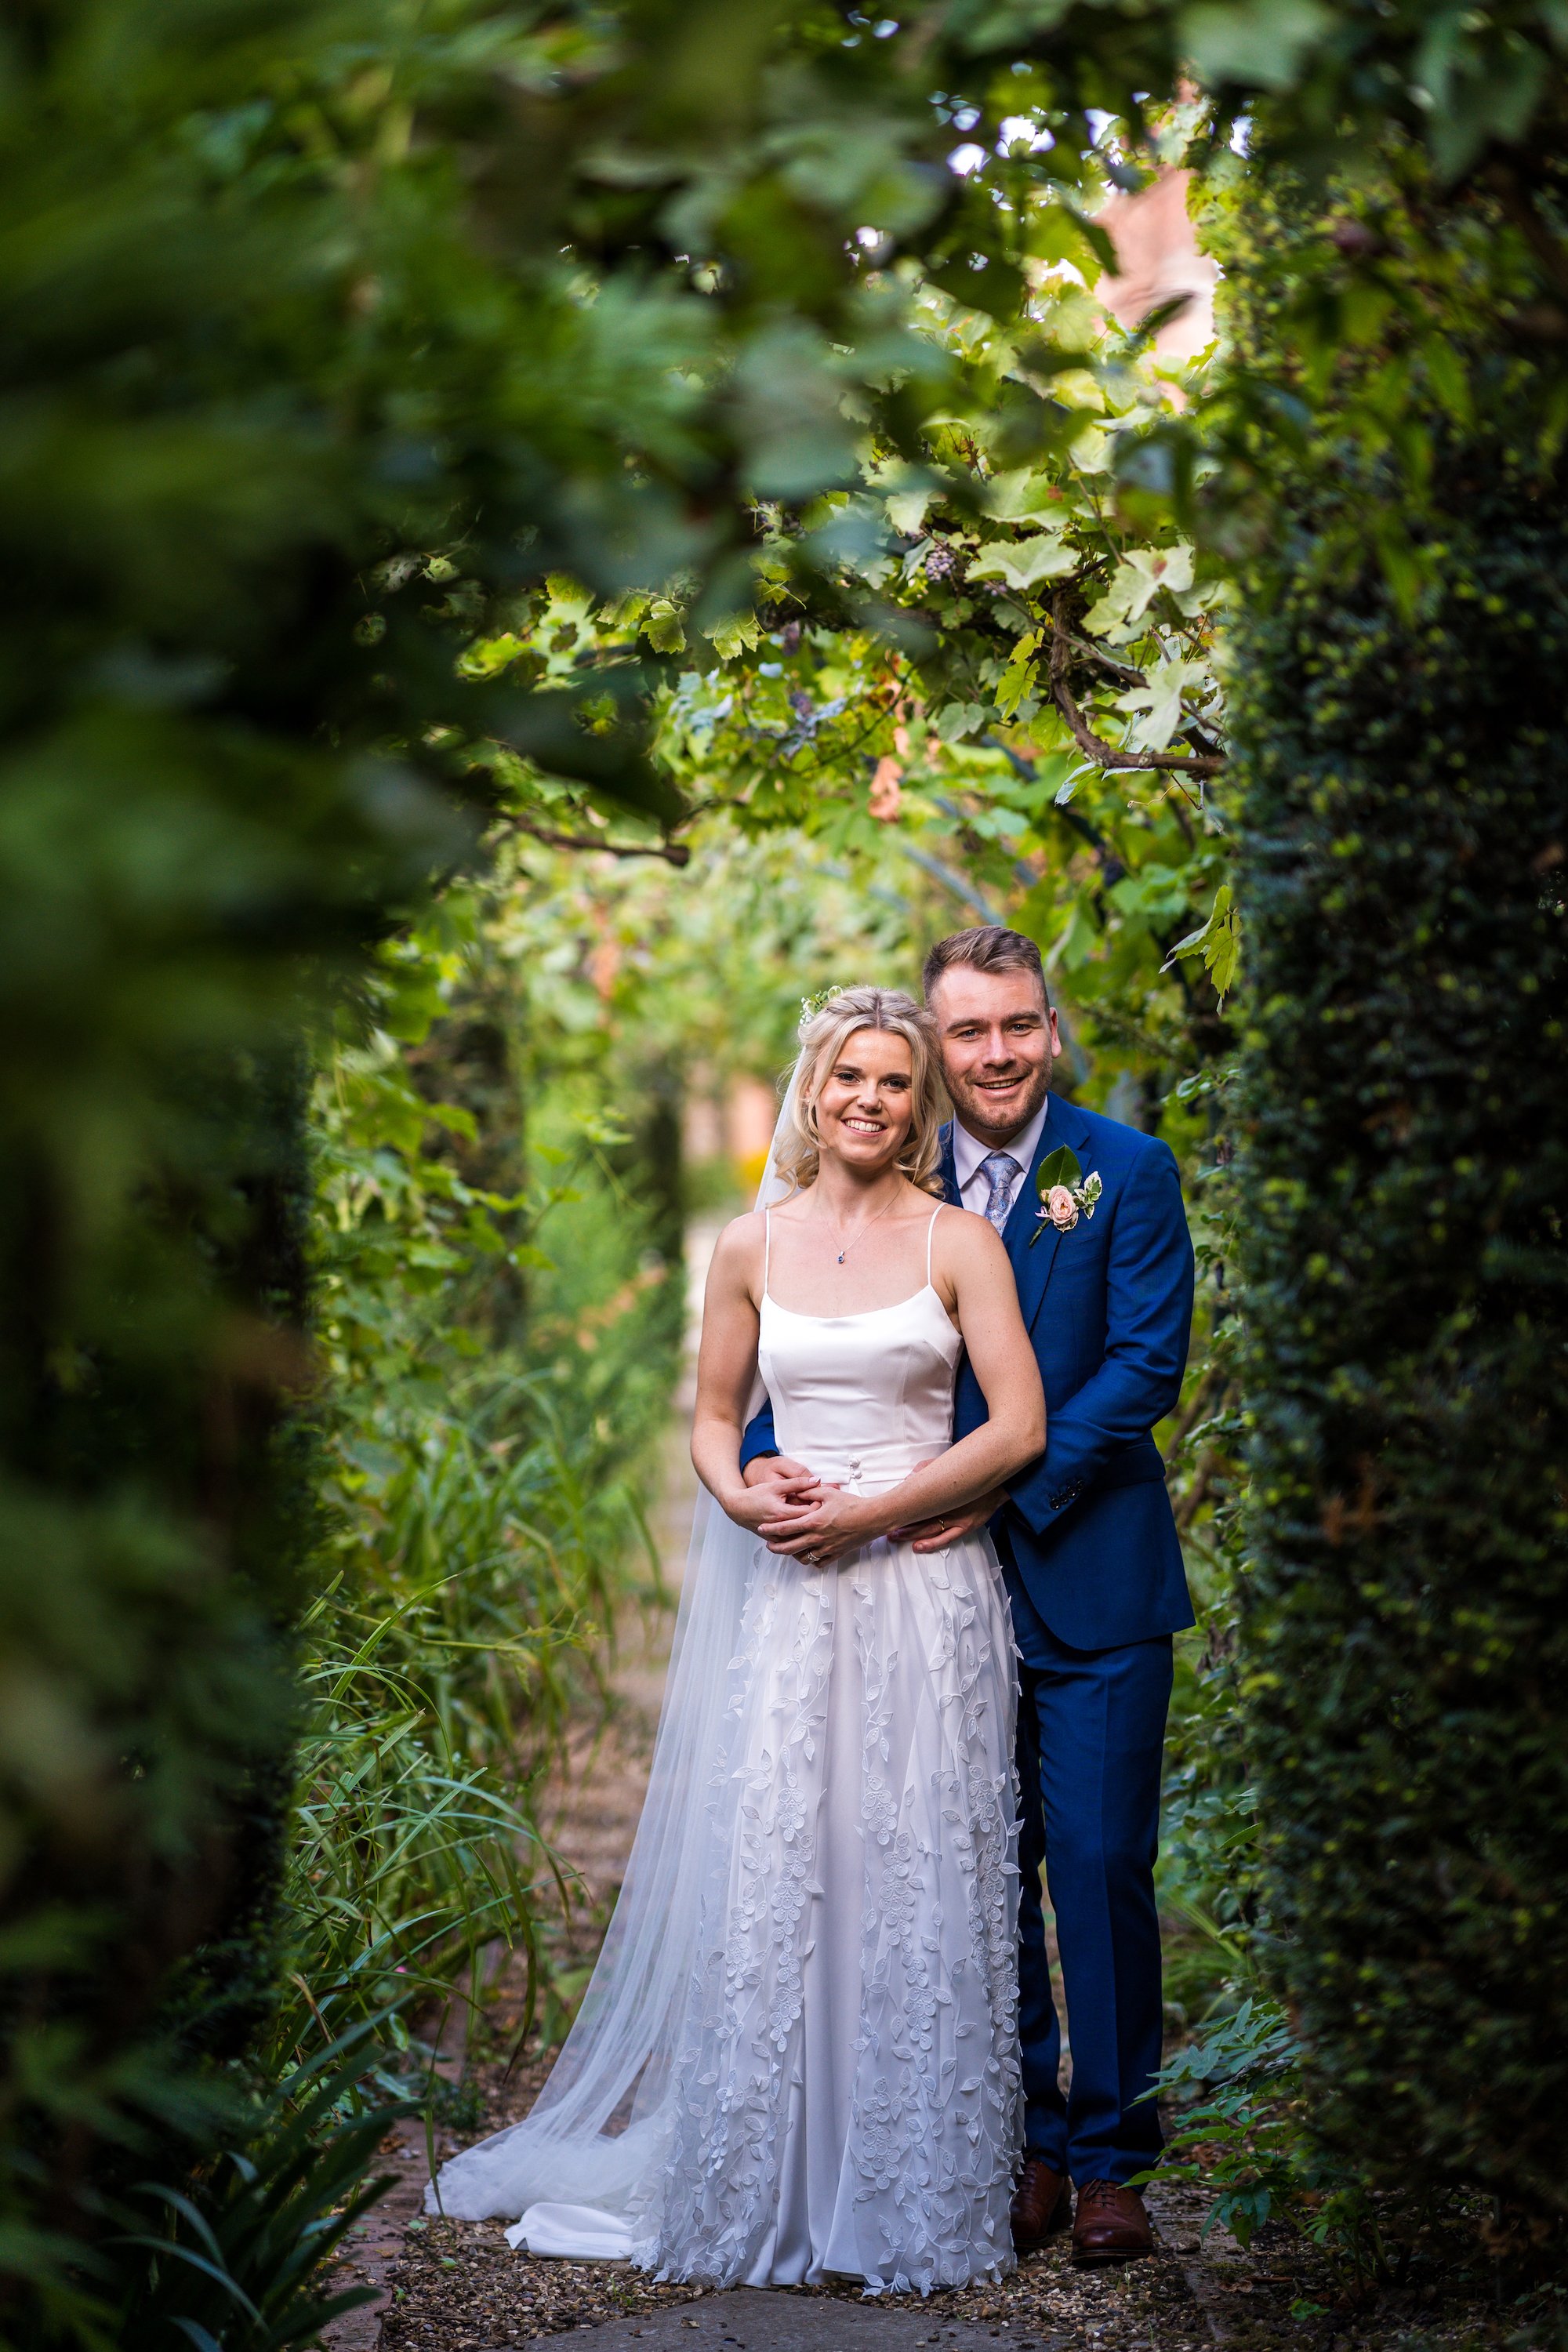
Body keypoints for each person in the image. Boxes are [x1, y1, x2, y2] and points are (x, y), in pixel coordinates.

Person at [428, 985, 1044, 2296]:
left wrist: (875, 1512)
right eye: (849, 1080)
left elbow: (1016, 1429)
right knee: (792, 1865)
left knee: (917, 1871)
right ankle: (770, 2176)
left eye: (893, 1082)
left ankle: (905, 2190)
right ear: (811, 1095)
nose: (870, 1101)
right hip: (791, 1595)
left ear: (918, 1101)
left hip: (924, 1597)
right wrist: (741, 1491)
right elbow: (714, 1418)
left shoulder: (958, 1242)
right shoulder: (749, 1244)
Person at [744, 927, 1196, 2263]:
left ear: (1051, 1031)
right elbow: (812, 1359)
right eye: (968, 1033)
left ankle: (1114, 2161)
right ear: (936, 1050)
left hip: (1088, 1583)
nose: (994, 1053)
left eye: (1018, 1027)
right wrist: (774, 1473)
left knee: (1100, 1867)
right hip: (917, 1607)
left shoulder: (1122, 1171)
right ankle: (1026, 2140)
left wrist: (1002, 1488)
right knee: (966, 1874)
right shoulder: (901, 1171)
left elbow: (1143, 1368)